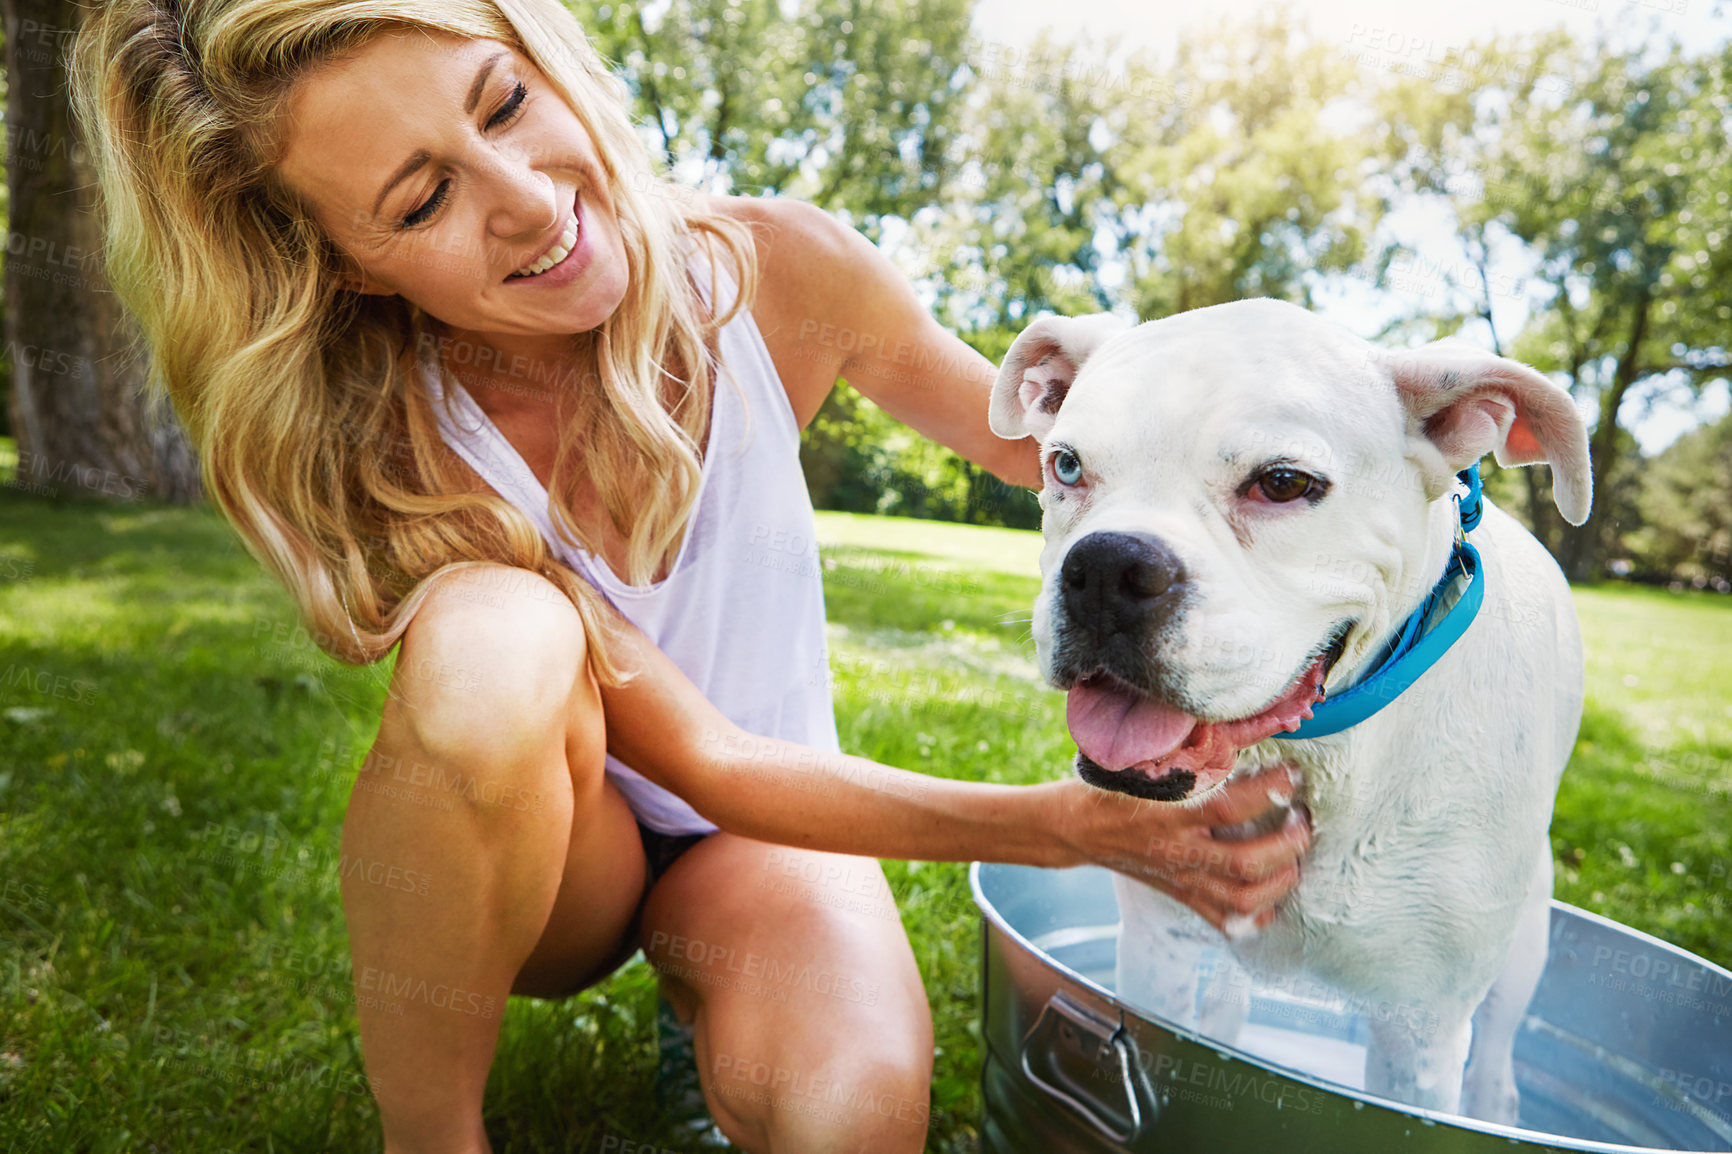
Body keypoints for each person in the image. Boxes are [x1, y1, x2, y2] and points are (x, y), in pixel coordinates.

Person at [72, 2, 1311, 1151]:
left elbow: (1060, 448)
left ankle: (711, 993)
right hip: (560, 861)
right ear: (345, 264)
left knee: (850, 1117)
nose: (523, 200)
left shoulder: (779, 275)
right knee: (500, 637)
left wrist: (1339, 458)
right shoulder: (395, 444)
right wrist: (1055, 824)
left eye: (504, 103)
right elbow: (704, 757)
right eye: (419, 201)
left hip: (768, 848)